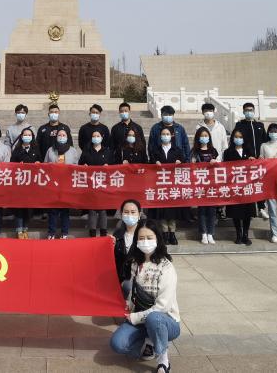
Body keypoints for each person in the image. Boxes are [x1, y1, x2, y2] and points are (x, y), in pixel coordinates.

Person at [109, 220, 181, 373]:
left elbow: (162, 308)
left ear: (158, 239)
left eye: (149, 237)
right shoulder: (136, 263)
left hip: (165, 321)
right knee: (117, 344)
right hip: (141, 318)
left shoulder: (166, 267)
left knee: (154, 318)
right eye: (141, 238)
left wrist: (134, 317)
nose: (145, 242)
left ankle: (163, 359)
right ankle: (149, 342)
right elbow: (133, 291)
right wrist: (128, 306)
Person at [232, 102, 270, 221]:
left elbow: (265, 142)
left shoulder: (259, 125)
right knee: (248, 184)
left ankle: (261, 207)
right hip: (246, 160)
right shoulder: (240, 125)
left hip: (259, 161)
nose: (249, 112)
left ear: (254, 111)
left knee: (259, 183)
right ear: (243, 112)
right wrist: (246, 156)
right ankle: (251, 208)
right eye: (247, 110)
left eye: (251, 110)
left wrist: (263, 156)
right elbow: (235, 140)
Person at [148, 126, 185, 245]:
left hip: (173, 185)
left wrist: (180, 162)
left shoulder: (177, 150)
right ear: (160, 136)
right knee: (162, 210)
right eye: (163, 134)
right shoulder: (156, 150)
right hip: (160, 184)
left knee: (172, 210)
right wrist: (155, 163)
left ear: (172, 135)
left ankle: (172, 233)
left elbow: (184, 163)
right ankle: (165, 233)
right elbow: (150, 163)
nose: (165, 136)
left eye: (167, 134)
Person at [43, 128, 79, 239]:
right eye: (60, 135)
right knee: (52, 210)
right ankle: (51, 232)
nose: (61, 137)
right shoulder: (50, 150)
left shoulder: (73, 151)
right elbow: (45, 165)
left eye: (64, 135)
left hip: (66, 184)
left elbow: (77, 166)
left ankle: (64, 232)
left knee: (65, 210)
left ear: (67, 137)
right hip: (53, 183)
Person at [222, 128, 256, 245]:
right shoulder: (228, 152)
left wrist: (253, 160)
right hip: (234, 186)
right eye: (236, 137)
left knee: (247, 211)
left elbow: (255, 167)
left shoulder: (249, 151)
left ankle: (245, 234)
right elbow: (226, 168)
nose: (238, 139)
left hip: (247, 186)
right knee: (236, 211)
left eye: (240, 137)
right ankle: (238, 234)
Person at [78, 128, 113, 236]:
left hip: (103, 184)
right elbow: (80, 164)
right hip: (90, 184)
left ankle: (103, 232)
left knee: (102, 209)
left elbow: (114, 167)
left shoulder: (107, 151)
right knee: (92, 208)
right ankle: (92, 233)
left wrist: (108, 167)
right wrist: (83, 166)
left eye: (98, 136)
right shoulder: (86, 151)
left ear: (102, 137)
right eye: (94, 136)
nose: (96, 138)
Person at [189, 127, 221, 244]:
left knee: (212, 210)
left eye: (206, 136)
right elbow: (191, 167)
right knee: (202, 209)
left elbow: (221, 165)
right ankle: (203, 233)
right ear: (198, 137)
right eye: (202, 136)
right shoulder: (194, 151)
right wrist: (193, 164)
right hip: (200, 184)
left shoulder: (213, 151)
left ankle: (210, 233)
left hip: (212, 184)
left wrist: (215, 162)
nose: (204, 138)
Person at [9, 127, 39, 239]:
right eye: (25, 135)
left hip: (31, 184)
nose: (27, 137)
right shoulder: (16, 150)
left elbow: (41, 163)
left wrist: (38, 163)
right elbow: (11, 165)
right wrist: (18, 165)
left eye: (29, 135)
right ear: (21, 137)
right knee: (19, 207)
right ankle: (19, 230)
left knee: (28, 208)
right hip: (19, 184)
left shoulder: (35, 150)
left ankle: (25, 228)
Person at [112, 199, 144, 298]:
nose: (129, 215)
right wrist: (112, 247)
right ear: (121, 214)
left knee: (127, 286)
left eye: (133, 212)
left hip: (140, 277)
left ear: (139, 214)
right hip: (121, 277)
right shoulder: (117, 234)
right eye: (126, 212)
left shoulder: (145, 233)